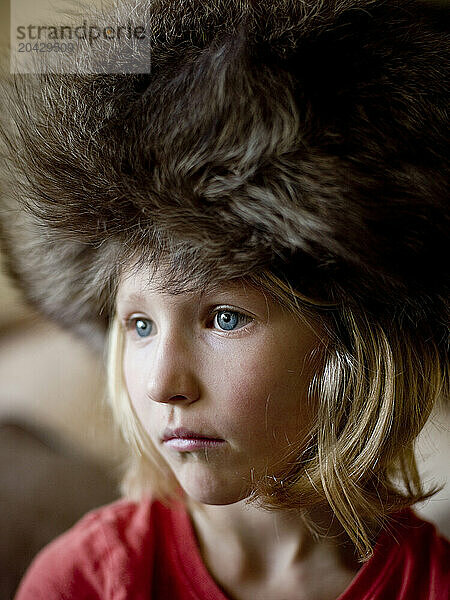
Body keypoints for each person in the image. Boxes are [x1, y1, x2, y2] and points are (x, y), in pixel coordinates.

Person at [0, 0, 448, 598]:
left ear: (350, 343)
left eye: (225, 317)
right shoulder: (81, 581)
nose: (164, 384)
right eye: (139, 325)